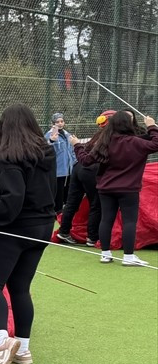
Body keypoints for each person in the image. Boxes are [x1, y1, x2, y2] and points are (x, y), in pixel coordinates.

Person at [0, 104, 56, 364]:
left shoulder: (9, 157)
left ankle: (1, 341)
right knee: (20, 287)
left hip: (14, 229)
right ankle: (24, 349)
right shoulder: (47, 152)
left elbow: (12, 199)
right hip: (42, 227)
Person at [74, 110, 158, 266]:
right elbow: (156, 143)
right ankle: (128, 256)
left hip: (106, 188)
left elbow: (85, 160)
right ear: (129, 124)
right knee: (129, 221)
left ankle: (105, 254)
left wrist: (77, 146)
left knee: (106, 219)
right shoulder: (135, 142)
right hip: (128, 189)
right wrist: (152, 126)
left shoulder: (105, 142)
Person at [56, 111, 109, 248]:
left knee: (72, 201)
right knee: (95, 204)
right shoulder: (111, 138)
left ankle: (64, 231)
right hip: (91, 170)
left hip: (78, 168)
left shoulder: (97, 136)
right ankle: (92, 237)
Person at [47, 112, 77, 207]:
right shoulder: (49, 135)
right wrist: (51, 141)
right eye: (57, 122)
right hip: (58, 169)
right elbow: (45, 149)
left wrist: (75, 161)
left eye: (62, 121)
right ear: (53, 123)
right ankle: (57, 209)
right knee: (58, 191)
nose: (60, 123)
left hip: (69, 168)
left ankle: (66, 207)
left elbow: (71, 150)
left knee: (68, 190)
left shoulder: (67, 134)